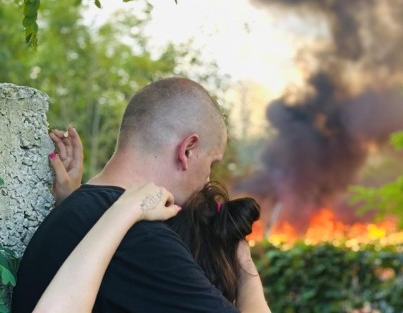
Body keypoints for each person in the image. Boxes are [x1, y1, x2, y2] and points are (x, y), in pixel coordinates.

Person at [12, 77, 270, 312]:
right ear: (188, 150)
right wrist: (244, 264)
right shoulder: (142, 238)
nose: (207, 181)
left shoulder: (76, 209)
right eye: (211, 164)